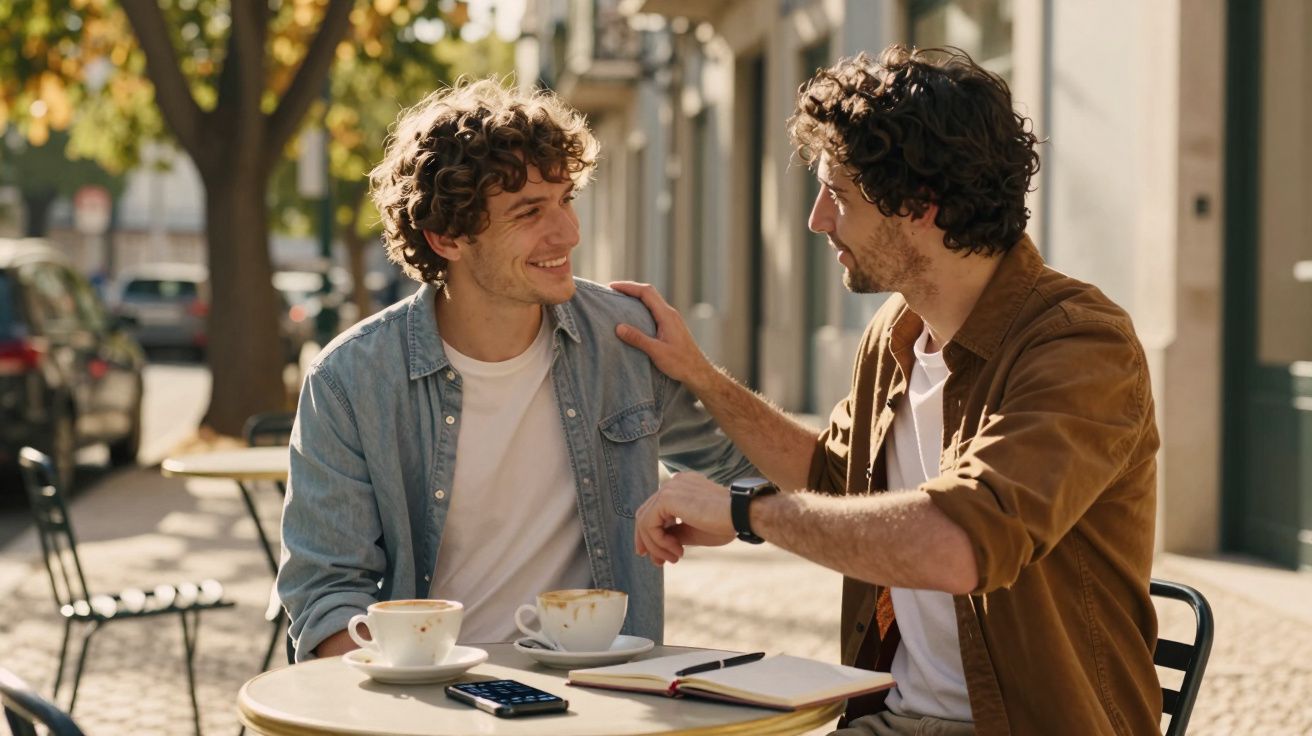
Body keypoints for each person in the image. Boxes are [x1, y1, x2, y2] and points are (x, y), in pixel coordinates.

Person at [612, 46, 1161, 736]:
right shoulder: (896, 333)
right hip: (891, 717)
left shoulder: (1080, 347)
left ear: (920, 207)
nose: (817, 220)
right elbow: (833, 478)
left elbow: (958, 546)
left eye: (837, 194)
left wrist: (747, 513)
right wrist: (699, 374)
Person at [277, 79, 753, 662]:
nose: (568, 233)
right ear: (445, 237)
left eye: (566, 200)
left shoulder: (624, 339)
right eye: (530, 211)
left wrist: (703, 377)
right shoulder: (350, 381)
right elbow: (326, 594)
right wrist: (411, 691)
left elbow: (753, 476)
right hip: (430, 704)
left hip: (602, 694)